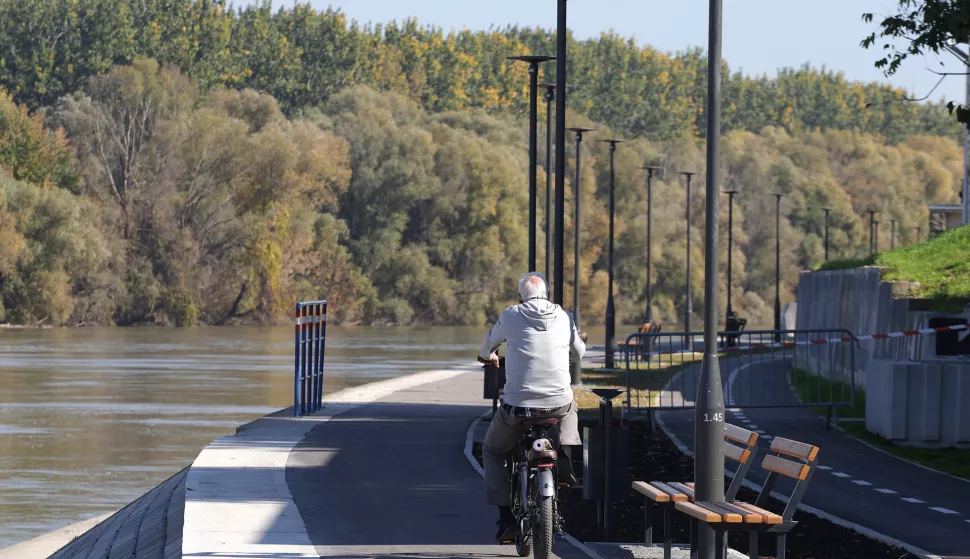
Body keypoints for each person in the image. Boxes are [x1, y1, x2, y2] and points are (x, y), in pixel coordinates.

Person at [478, 272, 585, 543]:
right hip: (557, 405)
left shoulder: (511, 315)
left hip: (518, 408)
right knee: (570, 405)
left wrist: (487, 356)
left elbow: (488, 344)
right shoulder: (565, 317)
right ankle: (566, 454)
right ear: (547, 294)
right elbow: (580, 352)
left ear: (520, 296)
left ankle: (506, 519)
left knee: (492, 450)